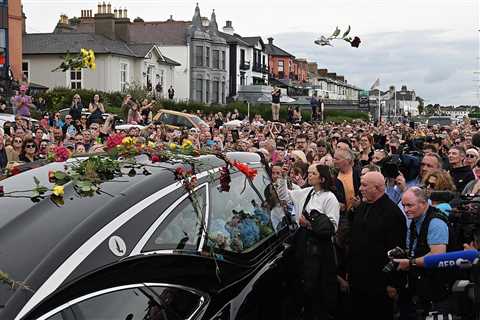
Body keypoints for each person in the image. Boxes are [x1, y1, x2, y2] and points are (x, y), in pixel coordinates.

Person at [283, 164, 340, 320]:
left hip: (320, 248)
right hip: (304, 243)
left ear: (322, 178)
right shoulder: (307, 192)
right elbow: (285, 195)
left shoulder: (330, 198)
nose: (309, 175)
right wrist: (281, 177)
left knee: (317, 285)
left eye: (313, 173)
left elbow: (332, 227)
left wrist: (309, 223)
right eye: (309, 173)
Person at [348, 172, 407, 320]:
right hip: (358, 280)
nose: (360, 188)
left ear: (378, 188)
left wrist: (393, 283)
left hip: (380, 283)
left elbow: (398, 251)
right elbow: (354, 241)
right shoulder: (362, 207)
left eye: (364, 185)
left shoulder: (393, 213)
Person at [395, 187, 450, 319]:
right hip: (422, 288)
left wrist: (410, 262)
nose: (406, 210)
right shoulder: (415, 221)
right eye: (403, 205)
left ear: (424, 203)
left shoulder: (436, 222)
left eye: (410, 205)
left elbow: (437, 256)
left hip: (439, 290)